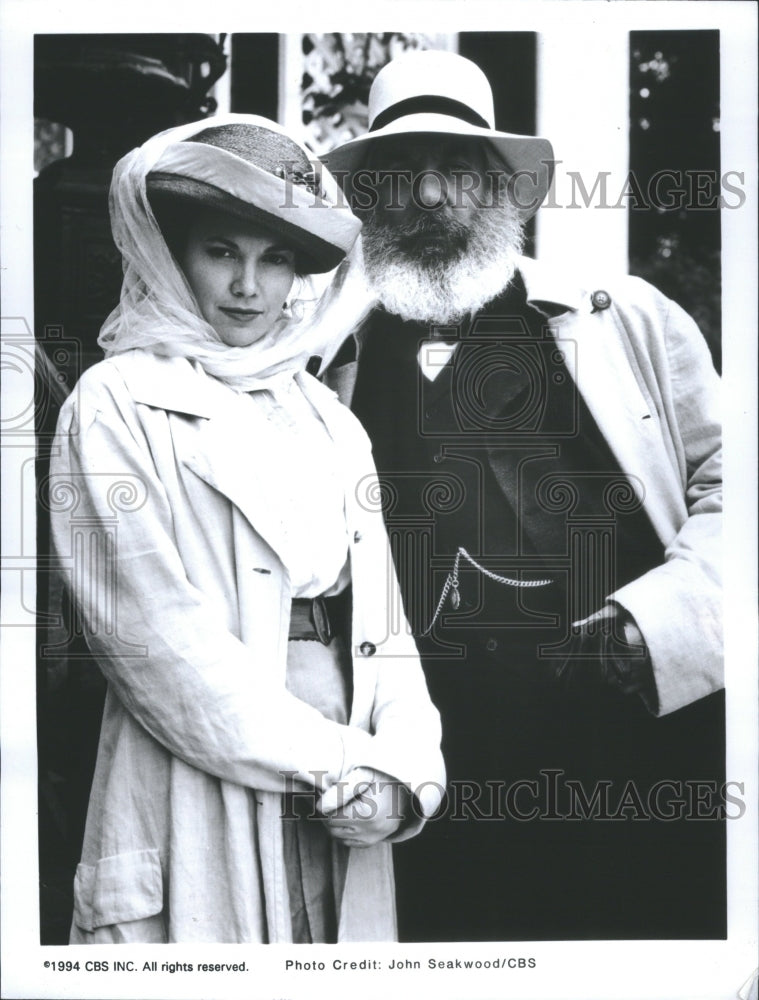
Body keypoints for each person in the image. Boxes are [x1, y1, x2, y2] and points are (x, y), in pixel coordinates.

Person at [322, 51, 724, 942]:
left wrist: (662, 618)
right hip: (436, 764)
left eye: (457, 170)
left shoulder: (624, 319)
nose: (429, 199)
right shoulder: (322, 365)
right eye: (400, 175)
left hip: (632, 754)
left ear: (504, 188)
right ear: (369, 199)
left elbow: (736, 482)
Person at [48, 113, 445, 944]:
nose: (247, 286)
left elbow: (388, 630)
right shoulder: (118, 402)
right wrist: (344, 762)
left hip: (348, 780)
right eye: (222, 251)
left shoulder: (330, 423)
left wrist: (408, 771)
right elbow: (156, 643)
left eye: (275, 261)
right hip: (205, 767)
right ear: (171, 253)